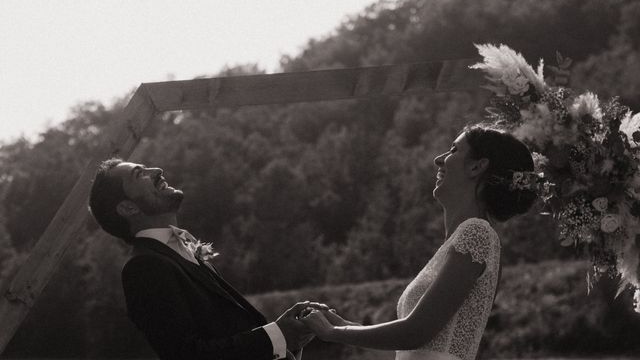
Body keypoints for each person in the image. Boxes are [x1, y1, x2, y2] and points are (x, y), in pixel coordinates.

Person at [301, 125, 537, 360]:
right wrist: (345, 325)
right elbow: (409, 349)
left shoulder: (476, 234)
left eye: (453, 150)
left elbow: (415, 332)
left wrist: (335, 332)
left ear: (477, 166)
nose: (439, 159)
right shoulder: (464, 240)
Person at [88, 158, 325, 360]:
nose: (157, 170)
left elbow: (225, 334)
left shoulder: (180, 250)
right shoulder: (143, 268)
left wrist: (289, 340)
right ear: (128, 208)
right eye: (140, 174)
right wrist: (277, 335)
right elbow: (187, 355)